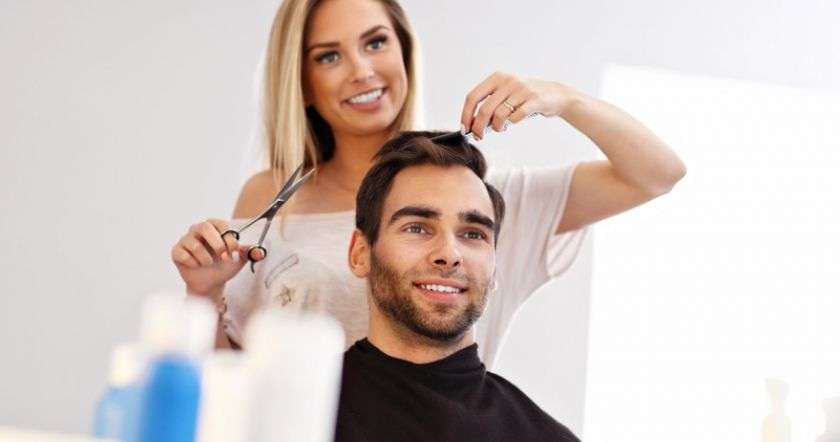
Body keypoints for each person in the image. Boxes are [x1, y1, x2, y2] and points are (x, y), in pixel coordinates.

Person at [169, 0, 686, 367]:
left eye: (376, 42)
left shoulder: (484, 199)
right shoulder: (270, 197)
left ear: (404, 51)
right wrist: (205, 291)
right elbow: (232, 371)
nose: (361, 71)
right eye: (329, 56)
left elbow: (657, 173)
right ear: (302, 82)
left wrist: (564, 99)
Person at [335, 131, 579, 441]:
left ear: (495, 267)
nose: (449, 254)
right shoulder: (297, 409)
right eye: (417, 228)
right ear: (360, 253)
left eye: (473, 234)